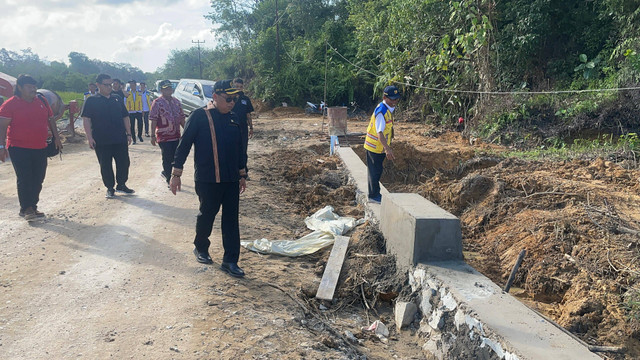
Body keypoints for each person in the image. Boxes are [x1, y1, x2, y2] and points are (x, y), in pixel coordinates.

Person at [170, 79, 247, 278]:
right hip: (207, 179)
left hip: (230, 180)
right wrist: (176, 174)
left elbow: (240, 149)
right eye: (228, 98)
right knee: (207, 214)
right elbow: (184, 146)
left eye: (235, 99)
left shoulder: (235, 118)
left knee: (231, 221)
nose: (232, 103)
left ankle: (230, 260)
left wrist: (242, 173)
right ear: (215, 97)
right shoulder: (199, 117)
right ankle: (201, 247)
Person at [0, 74, 63, 221]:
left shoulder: (41, 101)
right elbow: (2, 127)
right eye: (29, 87)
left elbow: (50, 119)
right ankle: (26, 208)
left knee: (38, 178)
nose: (33, 89)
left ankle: (33, 206)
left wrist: (57, 137)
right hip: (18, 147)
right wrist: (1, 146)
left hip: (40, 146)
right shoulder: (10, 104)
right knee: (24, 177)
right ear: (20, 88)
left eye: (34, 86)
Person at [81, 74, 135, 198]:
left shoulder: (116, 98)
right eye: (106, 85)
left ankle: (121, 184)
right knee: (105, 164)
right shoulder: (91, 100)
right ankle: (110, 187)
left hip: (119, 138)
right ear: (98, 85)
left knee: (124, 162)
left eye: (110, 84)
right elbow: (86, 119)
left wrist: (129, 133)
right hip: (101, 139)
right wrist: (89, 138)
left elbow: (125, 116)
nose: (109, 87)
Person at [363, 85, 401, 203]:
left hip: (378, 147)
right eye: (392, 99)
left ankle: (375, 193)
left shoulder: (387, 109)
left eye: (396, 99)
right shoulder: (382, 112)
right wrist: (387, 149)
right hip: (375, 147)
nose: (394, 101)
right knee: (374, 172)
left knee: (377, 170)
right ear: (385, 97)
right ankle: (373, 196)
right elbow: (379, 133)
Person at [149, 80, 185, 187]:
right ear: (161, 90)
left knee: (176, 158)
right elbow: (153, 119)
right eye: (166, 89)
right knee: (167, 158)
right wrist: (152, 135)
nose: (169, 90)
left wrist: (187, 131)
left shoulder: (177, 102)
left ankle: (168, 173)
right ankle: (169, 178)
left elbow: (182, 118)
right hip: (164, 137)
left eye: (170, 88)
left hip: (176, 135)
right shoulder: (157, 103)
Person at [231, 78, 254, 175]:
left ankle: (244, 171)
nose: (239, 89)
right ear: (233, 86)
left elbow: (248, 114)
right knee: (231, 149)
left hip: (243, 129)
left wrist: (251, 127)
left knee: (243, 150)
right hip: (231, 128)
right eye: (236, 87)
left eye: (240, 87)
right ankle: (233, 170)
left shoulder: (246, 99)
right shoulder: (230, 98)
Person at [125, 79, 143, 144]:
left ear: (135, 85)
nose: (131, 86)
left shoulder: (139, 92)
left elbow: (142, 101)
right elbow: (125, 102)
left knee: (140, 124)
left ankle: (139, 135)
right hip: (131, 111)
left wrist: (143, 110)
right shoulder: (127, 93)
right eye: (130, 84)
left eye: (133, 84)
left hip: (138, 110)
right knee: (132, 126)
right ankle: (134, 139)